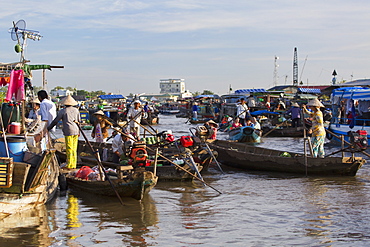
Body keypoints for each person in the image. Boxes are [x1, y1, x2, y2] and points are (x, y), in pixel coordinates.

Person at [47, 95, 81, 169]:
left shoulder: (63, 111)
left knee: (69, 148)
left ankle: (70, 164)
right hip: (76, 130)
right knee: (74, 148)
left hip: (69, 130)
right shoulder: (76, 110)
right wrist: (79, 132)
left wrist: (48, 128)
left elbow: (56, 121)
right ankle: (73, 164)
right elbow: (79, 121)